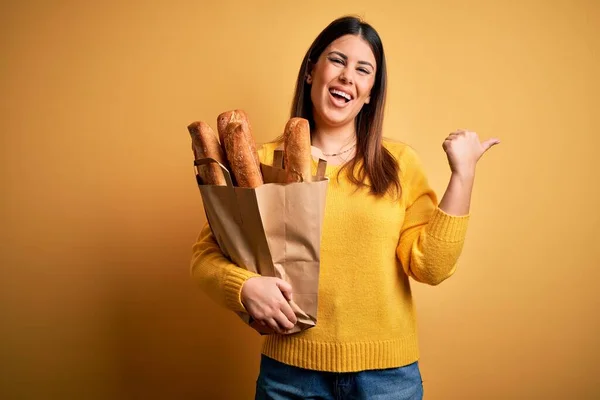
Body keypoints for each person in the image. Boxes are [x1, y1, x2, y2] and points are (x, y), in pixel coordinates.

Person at [190, 15, 499, 400]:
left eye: (363, 69)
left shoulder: (398, 164)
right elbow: (204, 256)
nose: (347, 76)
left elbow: (430, 267)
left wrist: (463, 174)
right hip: (290, 376)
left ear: (370, 92)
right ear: (310, 72)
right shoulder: (258, 163)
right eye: (337, 60)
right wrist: (244, 287)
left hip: (388, 380)